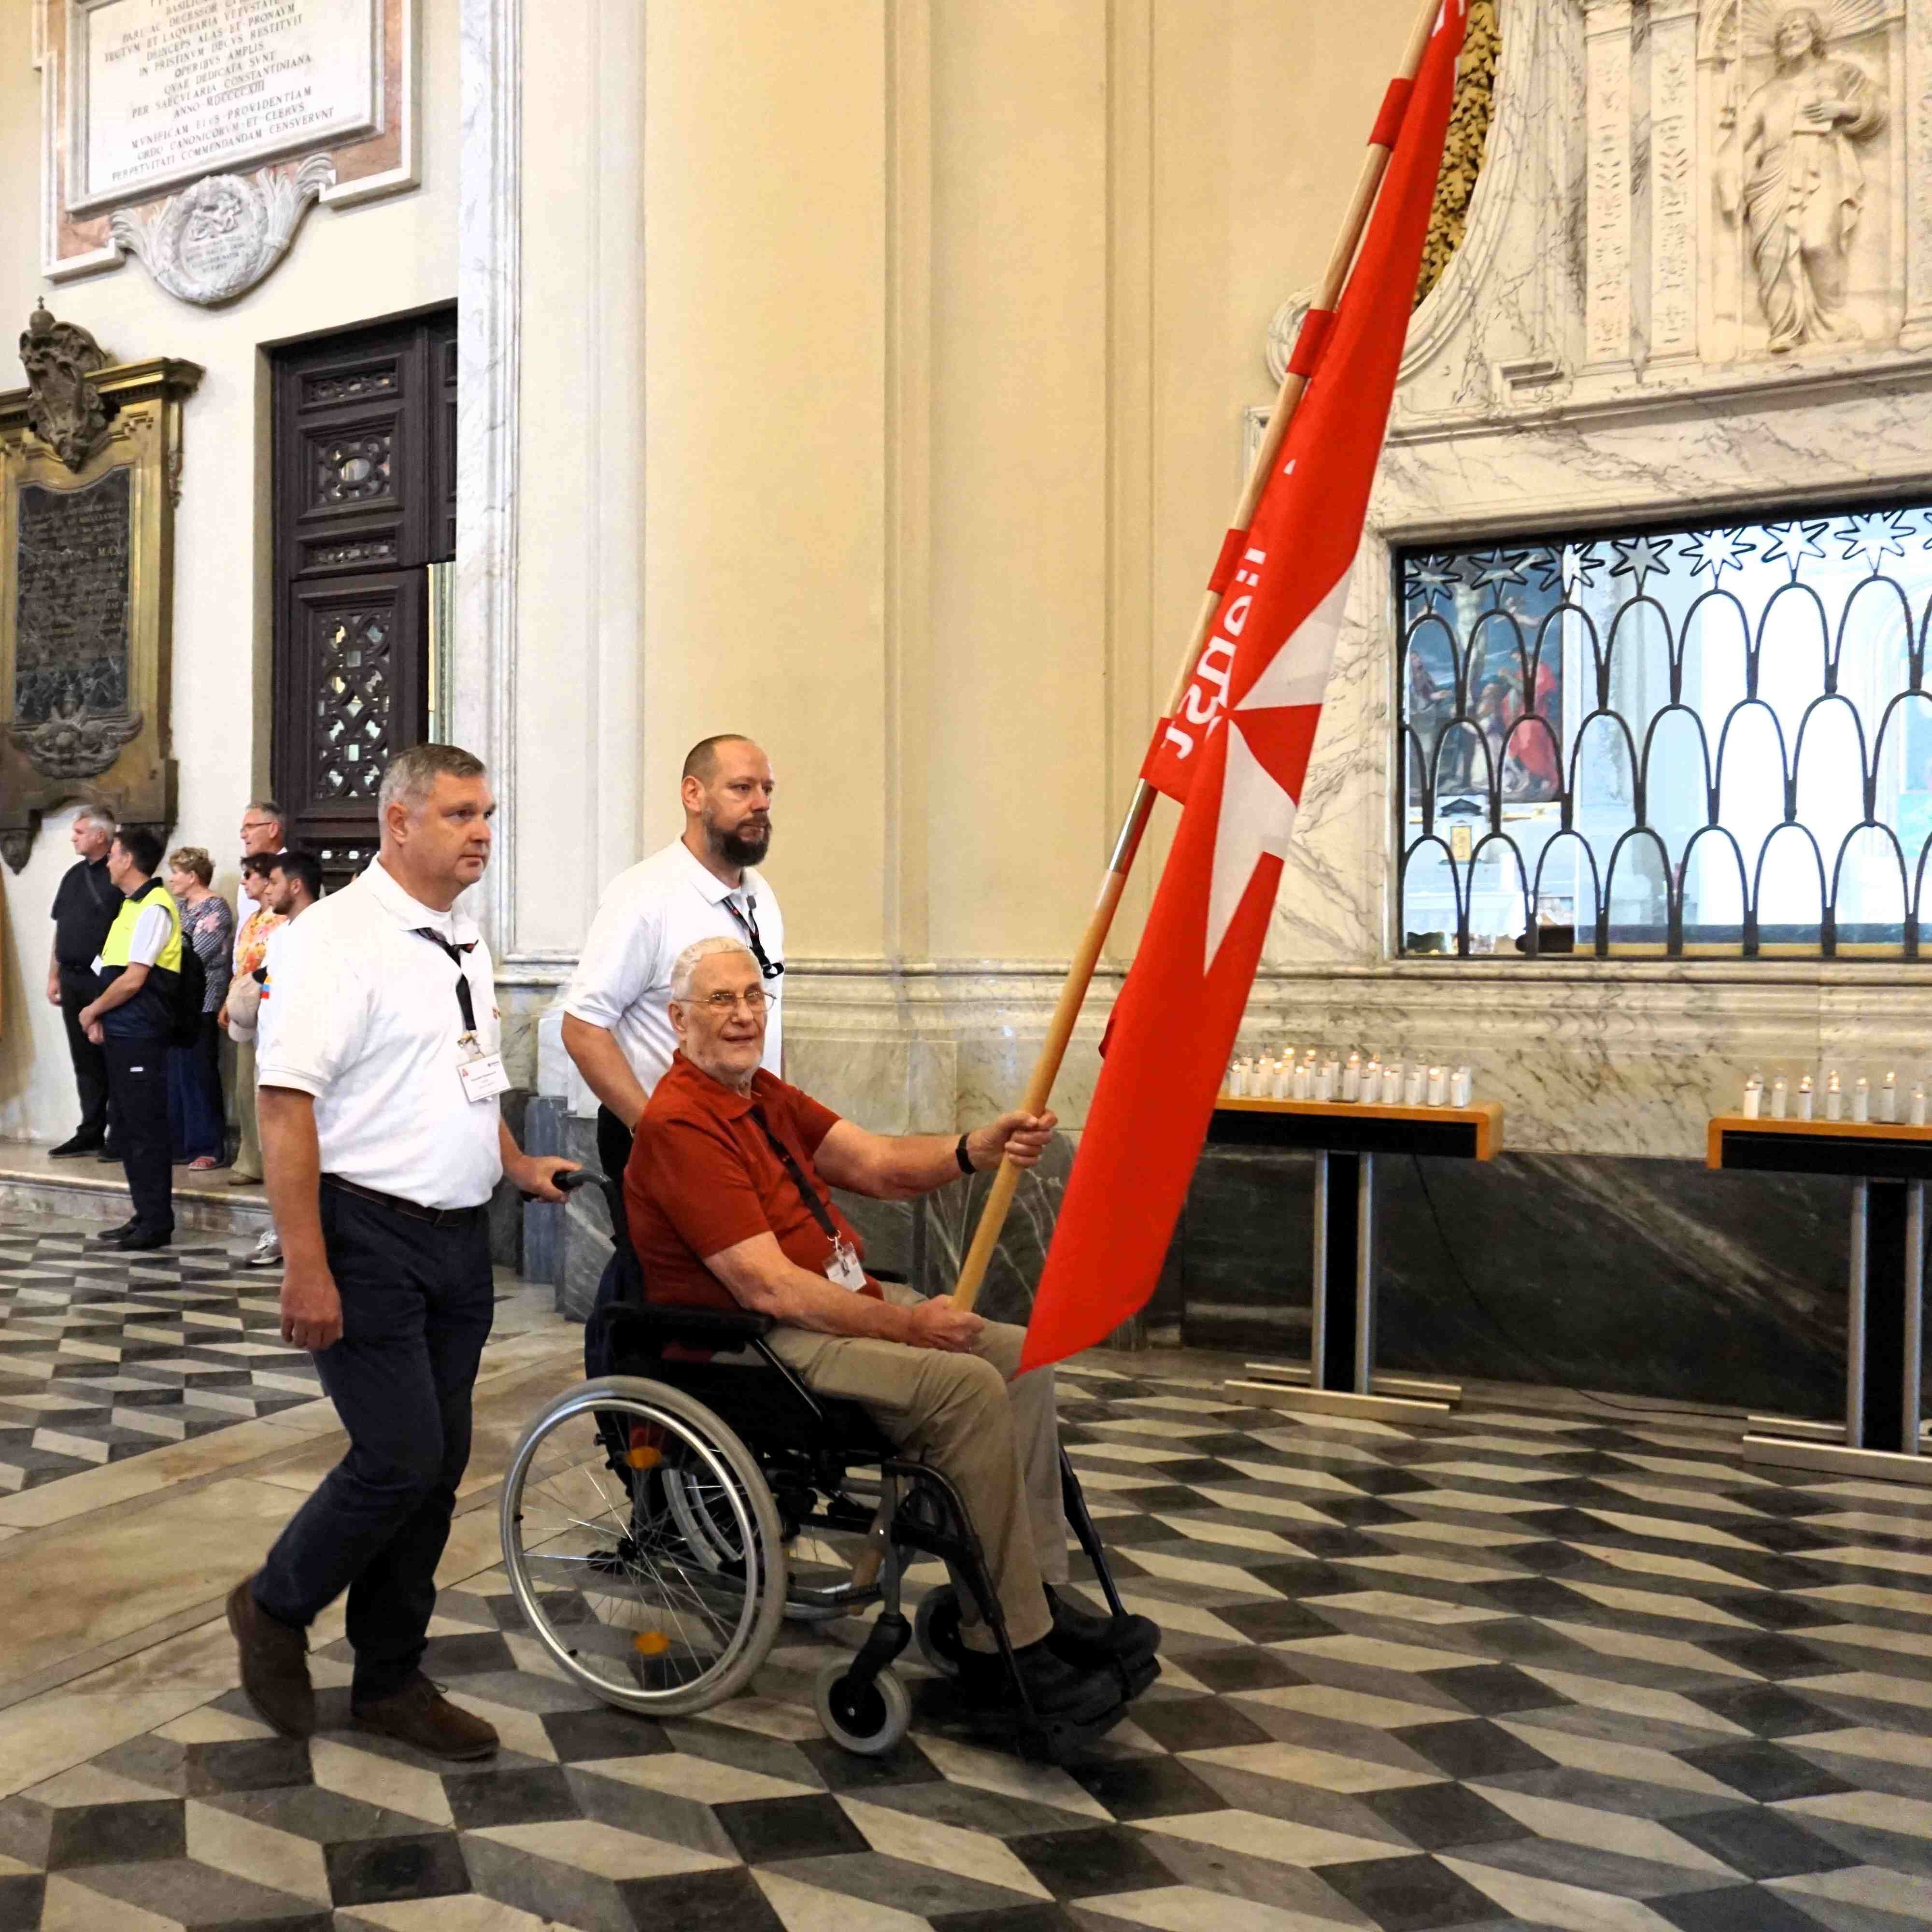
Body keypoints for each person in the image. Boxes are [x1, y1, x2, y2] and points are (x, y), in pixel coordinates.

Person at [628, 935, 1158, 1723]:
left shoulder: (763, 1095)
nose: (743, 1015)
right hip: (758, 1346)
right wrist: (909, 1330)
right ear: (678, 1019)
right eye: (721, 1000)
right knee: (964, 1384)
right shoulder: (680, 1124)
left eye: (752, 997)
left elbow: (874, 1163)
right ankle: (1005, 1648)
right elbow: (769, 1286)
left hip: (832, 1309)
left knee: (1018, 1354)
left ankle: (1035, 1595)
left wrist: (974, 1149)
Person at [229, 745, 575, 1760]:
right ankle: (274, 1601)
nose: (482, 833)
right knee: (398, 1454)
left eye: (488, 814)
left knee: (435, 1469)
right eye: (463, 814)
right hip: (363, 1231)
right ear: (399, 822)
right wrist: (306, 1263)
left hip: (456, 1238)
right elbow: (286, 1106)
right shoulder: (335, 939)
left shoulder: (461, 931)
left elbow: (467, 1071)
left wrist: (513, 1161)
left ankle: (388, 1678)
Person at [563, 735, 784, 1203]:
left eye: (767, 789)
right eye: (742, 788)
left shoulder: (760, 894)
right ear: (693, 794)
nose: (761, 803)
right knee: (659, 1276)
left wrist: (779, 1124)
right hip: (662, 1136)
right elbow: (583, 1027)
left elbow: (772, 1024)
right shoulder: (643, 896)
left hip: (747, 1132)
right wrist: (653, 1131)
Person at [76, 826, 184, 1252]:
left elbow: (135, 979)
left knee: (147, 1130)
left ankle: (157, 1222)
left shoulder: (155, 907)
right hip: (123, 1029)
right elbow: (111, 969)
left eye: (115, 854)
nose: (108, 861)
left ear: (130, 861)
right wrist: (103, 1016)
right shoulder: (129, 907)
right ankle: (143, 1213)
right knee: (128, 1127)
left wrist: (92, 1010)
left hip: (142, 1030)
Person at [241, 850, 323, 1270]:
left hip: (306, 1061)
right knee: (276, 1150)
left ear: (295, 885)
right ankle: (284, 1229)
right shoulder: (282, 935)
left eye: (272, 881)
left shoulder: (326, 932)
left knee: (302, 1152)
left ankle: (301, 1238)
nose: (266, 888)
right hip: (271, 1051)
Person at [46, 805, 121, 1160]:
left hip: (105, 980)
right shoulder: (73, 876)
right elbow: (61, 928)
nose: (73, 838)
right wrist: (53, 975)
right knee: (84, 1059)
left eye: (79, 832)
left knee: (113, 1055)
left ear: (100, 836)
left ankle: (119, 1133)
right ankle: (90, 1130)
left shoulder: (120, 874)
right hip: (73, 977)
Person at [225, 800, 286, 1186]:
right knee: (245, 1082)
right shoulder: (252, 908)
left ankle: (277, 1161)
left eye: (251, 826)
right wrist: (232, 995)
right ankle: (251, 1158)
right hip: (247, 1000)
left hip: (277, 1001)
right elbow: (240, 949)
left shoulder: (295, 874)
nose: (244, 834)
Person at [165, 847, 234, 1171]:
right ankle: (180, 1143)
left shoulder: (216, 908)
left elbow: (193, 955)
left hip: (201, 1002)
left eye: (176, 872)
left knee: (199, 1075)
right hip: (175, 1005)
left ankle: (208, 1146)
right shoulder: (177, 907)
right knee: (176, 1076)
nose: (171, 879)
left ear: (193, 876)